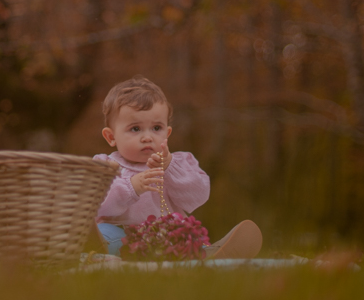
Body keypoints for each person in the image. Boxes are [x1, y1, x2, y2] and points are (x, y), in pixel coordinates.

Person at [93, 75, 262, 259]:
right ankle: (100, 248)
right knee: (103, 232)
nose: (148, 137)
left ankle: (208, 253)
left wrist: (170, 168)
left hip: (168, 238)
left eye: (156, 128)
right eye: (135, 129)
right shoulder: (105, 166)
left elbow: (198, 195)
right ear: (111, 137)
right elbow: (94, 204)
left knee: (186, 238)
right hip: (124, 238)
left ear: (167, 133)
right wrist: (130, 187)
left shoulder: (179, 163)